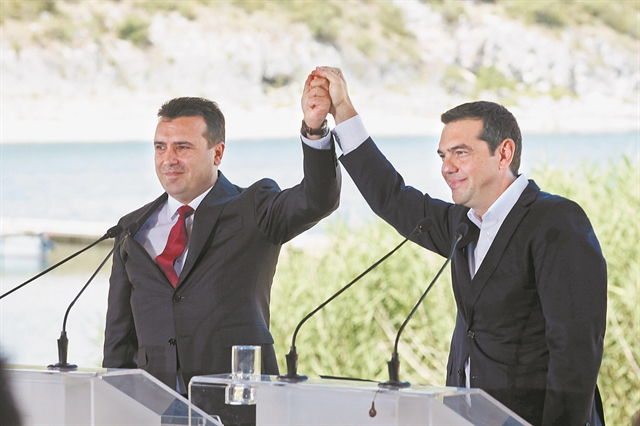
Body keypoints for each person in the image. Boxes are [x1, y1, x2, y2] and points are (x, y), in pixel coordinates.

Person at [308, 66, 607, 426]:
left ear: (504, 153)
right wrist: (342, 112)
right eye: (442, 156)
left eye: (460, 153)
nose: (446, 167)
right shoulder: (462, 225)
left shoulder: (556, 222)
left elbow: (576, 350)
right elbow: (391, 197)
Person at [102, 74, 341, 395]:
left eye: (182, 147)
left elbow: (318, 199)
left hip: (238, 400)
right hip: (155, 405)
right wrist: (115, 401)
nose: (168, 159)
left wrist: (315, 130)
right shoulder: (131, 228)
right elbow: (119, 339)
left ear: (217, 154)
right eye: (160, 147)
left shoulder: (253, 207)